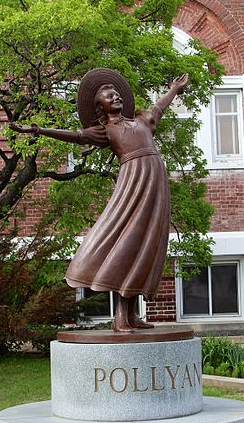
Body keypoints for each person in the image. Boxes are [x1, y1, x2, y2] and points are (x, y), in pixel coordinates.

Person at [10, 68, 188, 332]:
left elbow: (158, 107)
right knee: (124, 244)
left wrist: (174, 88)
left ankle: (131, 315)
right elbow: (75, 135)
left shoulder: (141, 122)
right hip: (132, 185)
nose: (115, 96)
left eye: (116, 93)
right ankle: (119, 318)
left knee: (143, 244)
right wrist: (36, 129)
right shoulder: (105, 131)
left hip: (155, 186)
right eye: (108, 95)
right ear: (100, 106)